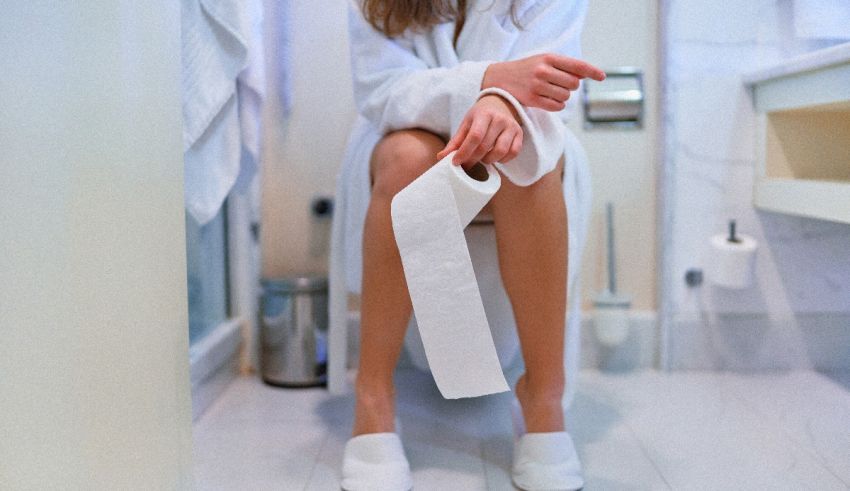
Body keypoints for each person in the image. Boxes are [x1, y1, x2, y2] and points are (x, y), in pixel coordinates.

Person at [338, 1, 605, 489]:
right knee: (406, 160)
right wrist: (488, 84)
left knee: (527, 156)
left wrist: (503, 104)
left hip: (526, 123)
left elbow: (550, 78)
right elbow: (383, 90)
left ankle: (543, 395)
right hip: (403, 131)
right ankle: (372, 395)